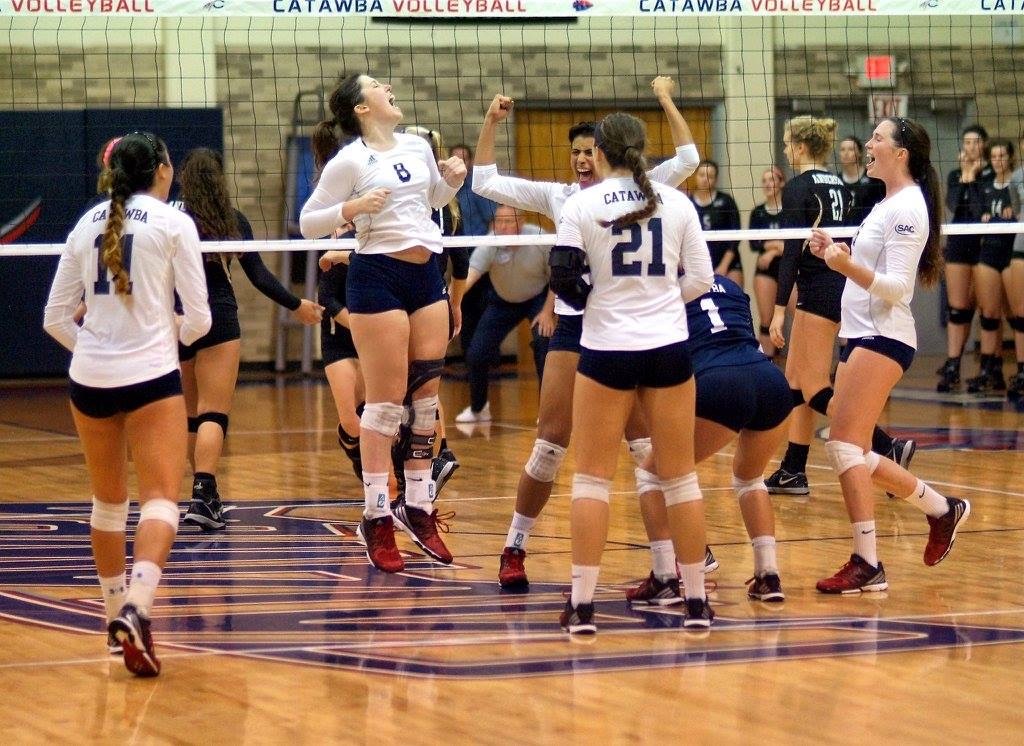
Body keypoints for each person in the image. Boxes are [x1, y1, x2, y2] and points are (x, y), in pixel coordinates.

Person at [471, 76, 701, 591]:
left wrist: (666, 98)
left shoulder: (648, 188)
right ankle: (515, 546)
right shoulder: (560, 198)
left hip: (631, 330)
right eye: (574, 151)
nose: (581, 158)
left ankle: (667, 562)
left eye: (588, 150)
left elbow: (688, 159)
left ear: (604, 152)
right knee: (550, 444)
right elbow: (483, 181)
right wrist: (491, 121)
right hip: (579, 326)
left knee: (645, 449)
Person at [43, 132, 211, 676]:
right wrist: (169, 337)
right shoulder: (173, 222)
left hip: (89, 380)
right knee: (161, 497)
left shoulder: (85, 223)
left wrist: (96, 350)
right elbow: (201, 319)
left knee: (108, 502)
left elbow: (54, 318)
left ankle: (114, 618)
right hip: (150, 377)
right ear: (162, 170)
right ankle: (137, 606)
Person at [552, 112, 715, 633]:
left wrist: (604, 302)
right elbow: (703, 279)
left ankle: (582, 606)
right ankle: (695, 602)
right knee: (681, 478)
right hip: (668, 348)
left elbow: (563, 280)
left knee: (591, 479)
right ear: (642, 150)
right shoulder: (679, 202)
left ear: (598, 153)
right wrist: (661, 300)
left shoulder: (581, 204)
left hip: (606, 350)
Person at [300, 73, 466, 573]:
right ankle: (376, 515)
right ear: (361, 108)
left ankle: (417, 505)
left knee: (426, 399)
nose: (388, 86)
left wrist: (453, 179)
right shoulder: (350, 160)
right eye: (376, 84)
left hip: (426, 274)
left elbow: (434, 201)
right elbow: (309, 221)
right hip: (377, 276)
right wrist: (351, 207)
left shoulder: (416, 145)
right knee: (387, 404)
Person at [809, 116, 970, 593]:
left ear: (900, 154)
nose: (868, 143)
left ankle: (868, 562)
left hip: (883, 336)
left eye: (877, 138)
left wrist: (843, 265)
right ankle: (941, 509)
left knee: (843, 446)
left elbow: (898, 287)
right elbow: (871, 268)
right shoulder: (889, 203)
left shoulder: (907, 209)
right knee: (855, 450)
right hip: (863, 334)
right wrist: (836, 253)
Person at [176, 148, 323, 530]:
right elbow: (258, 275)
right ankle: (204, 493)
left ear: (183, 179)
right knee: (213, 412)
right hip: (218, 317)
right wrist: (296, 304)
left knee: (191, 415)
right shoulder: (230, 220)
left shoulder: (169, 219)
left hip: (175, 319)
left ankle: (202, 495)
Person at [766, 115, 911, 497]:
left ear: (800, 147)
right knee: (795, 381)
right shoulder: (842, 188)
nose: (786, 151)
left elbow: (790, 253)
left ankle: (887, 445)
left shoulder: (798, 187)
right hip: (840, 286)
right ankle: (793, 469)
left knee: (814, 386)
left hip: (817, 291)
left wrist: (778, 311)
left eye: (787, 145)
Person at [627, 275, 792, 606]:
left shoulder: (664, 291)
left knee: (652, 474)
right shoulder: (730, 286)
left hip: (721, 381)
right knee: (750, 478)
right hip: (771, 380)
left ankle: (664, 577)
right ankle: (768, 575)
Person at [455, 204, 554, 423]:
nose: (502, 226)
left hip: (537, 299)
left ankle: (547, 412)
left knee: (543, 347)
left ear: (521, 222)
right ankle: (479, 409)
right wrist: (451, 302)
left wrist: (548, 312)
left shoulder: (539, 238)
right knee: (476, 353)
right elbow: (470, 275)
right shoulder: (491, 242)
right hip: (503, 300)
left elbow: (557, 278)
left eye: (507, 221)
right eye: (498, 221)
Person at [937, 125, 994, 392]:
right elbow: (953, 205)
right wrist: (966, 176)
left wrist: (973, 178)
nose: (970, 147)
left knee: (987, 308)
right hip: (960, 240)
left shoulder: (992, 173)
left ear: (984, 145)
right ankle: (953, 366)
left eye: (975, 142)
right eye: (967, 142)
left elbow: (981, 209)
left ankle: (989, 366)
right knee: (957, 308)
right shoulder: (954, 174)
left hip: (986, 242)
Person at [965, 140, 1019, 393]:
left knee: (1016, 315)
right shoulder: (985, 186)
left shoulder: (1016, 185)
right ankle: (989, 370)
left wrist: (1013, 213)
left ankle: (1020, 369)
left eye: (1002, 156)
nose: (998, 160)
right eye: (994, 156)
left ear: (1010, 158)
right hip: (989, 251)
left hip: (1011, 252)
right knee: (988, 313)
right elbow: (975, 211)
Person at [748, 166, 787, 356]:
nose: (767, 184)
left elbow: (795, 243)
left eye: (772, 179)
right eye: (764, 181)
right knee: (766, 320)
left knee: (801, 316)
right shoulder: (758, 213)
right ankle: (767, 362)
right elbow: (754, 244)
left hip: (789, 268)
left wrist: (771, 251)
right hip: (765, 270)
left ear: (781, 183)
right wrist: (778, 245)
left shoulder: (790, 210)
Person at [690, 159, 743, 286]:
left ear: (715, 179)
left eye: (710, 176)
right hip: (699, 263)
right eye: (702, 175)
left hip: (728, 262)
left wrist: (724, 265)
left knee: (733, 295)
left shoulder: (726, 201)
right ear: (695, 176)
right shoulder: (687, 202)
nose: (705, 179)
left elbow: (735, 236)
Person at [837, 135, 886, 225]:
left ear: (859, 153)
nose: (846, 153)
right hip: (843, 229)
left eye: (851, 149)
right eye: (842, 150)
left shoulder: (873, 179)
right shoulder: (836, 181)